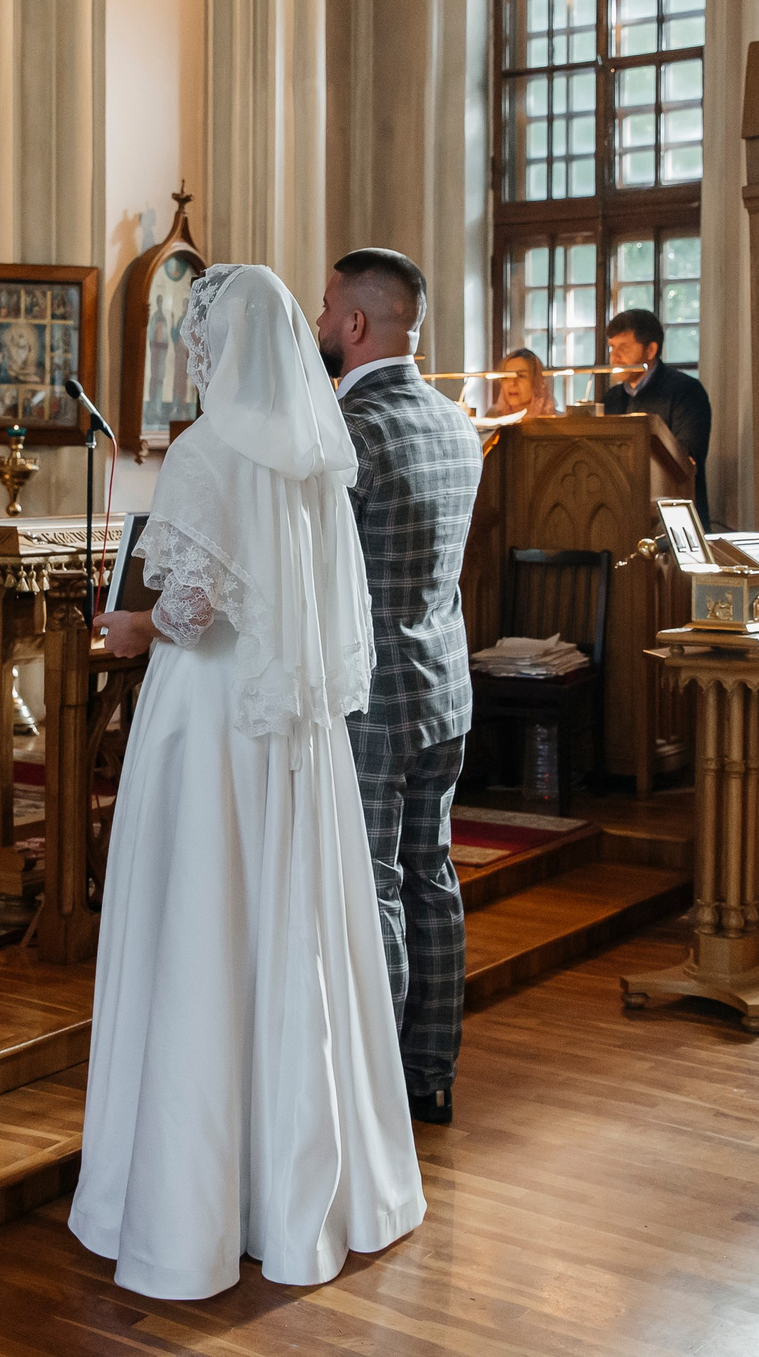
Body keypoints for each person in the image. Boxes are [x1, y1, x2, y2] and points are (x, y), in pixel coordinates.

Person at [71, 264, 424, 1300]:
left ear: (215, 348)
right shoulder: (317, 452)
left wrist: (134, 625)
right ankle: (304, 1188)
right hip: (292, 730)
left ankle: (191, 1203)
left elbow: (190, 608)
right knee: (288, 923)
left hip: (210, 715)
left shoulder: (206, 448)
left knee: (199, 923)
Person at [314, 248, 485, 1127]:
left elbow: (319, 576)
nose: (316, 322)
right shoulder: (456, 422)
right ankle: (430, 1071)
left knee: (376, 883)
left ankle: (376, 1086)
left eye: (326, 307)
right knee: (433, 873)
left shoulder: (350, 433)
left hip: (375, 696)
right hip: (444, 684)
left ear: (354, 325)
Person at [603, 306, 713, 528]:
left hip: (675, 520)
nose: (615, 357)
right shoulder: (611, 398)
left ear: (651, 350)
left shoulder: (686, 391)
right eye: (612, 348)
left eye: (623, 348)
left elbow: (688, 457)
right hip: (620, 518)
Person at [491, 346, 563, 421]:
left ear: (537, 381)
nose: (512, 383)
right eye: (507, 376)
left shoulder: (557, 420)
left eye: (521, 376)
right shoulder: (493, 416)